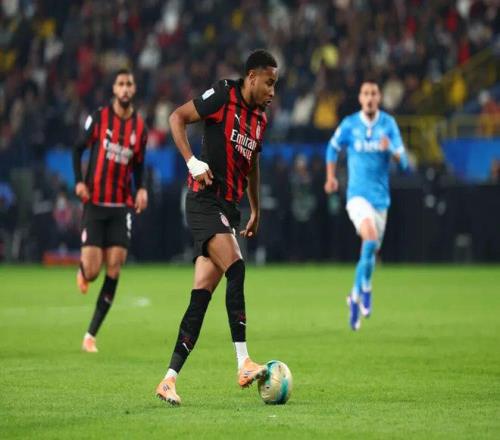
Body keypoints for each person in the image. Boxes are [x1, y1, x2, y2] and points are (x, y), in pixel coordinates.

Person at [155, 50, 278, 406]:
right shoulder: (224, 94)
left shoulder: (260, 119)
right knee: (236, 267)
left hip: (229, 210)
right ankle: (243, 363)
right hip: (204, 201)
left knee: (201, 296)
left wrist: (256, 208)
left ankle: (168, 380)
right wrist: (192, 162)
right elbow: (176, 118)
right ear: (251, 77)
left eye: (275, 84)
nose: (272, 91)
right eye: (269, 82)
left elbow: (252, 164)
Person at [73, 68, 148, 352]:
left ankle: (90, 335)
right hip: (95, 203)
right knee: (93, 271)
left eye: (129, 83)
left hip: (120, 206)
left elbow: (139, 164)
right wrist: (79, 182)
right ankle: (83, 271)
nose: (125, 88)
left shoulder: (139, 127)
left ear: (134, 89)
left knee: (115, 265)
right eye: (121, 84)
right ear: (114, 89)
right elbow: (77, 149)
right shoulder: (99, 118)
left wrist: (141, 188)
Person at [324, 80, 409, 331]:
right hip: (357, 196)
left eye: (373, 93)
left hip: (380, 200)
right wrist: (330, 177)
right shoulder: (350, 124)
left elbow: (405, 164)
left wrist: (391, 150)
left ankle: (362, 289)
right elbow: (332, 148)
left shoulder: (388, 125)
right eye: (365, 94)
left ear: (379, 98)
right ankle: (360, 293)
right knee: (370, 238)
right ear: (360, 98)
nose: (370, 98)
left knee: (370, 250)